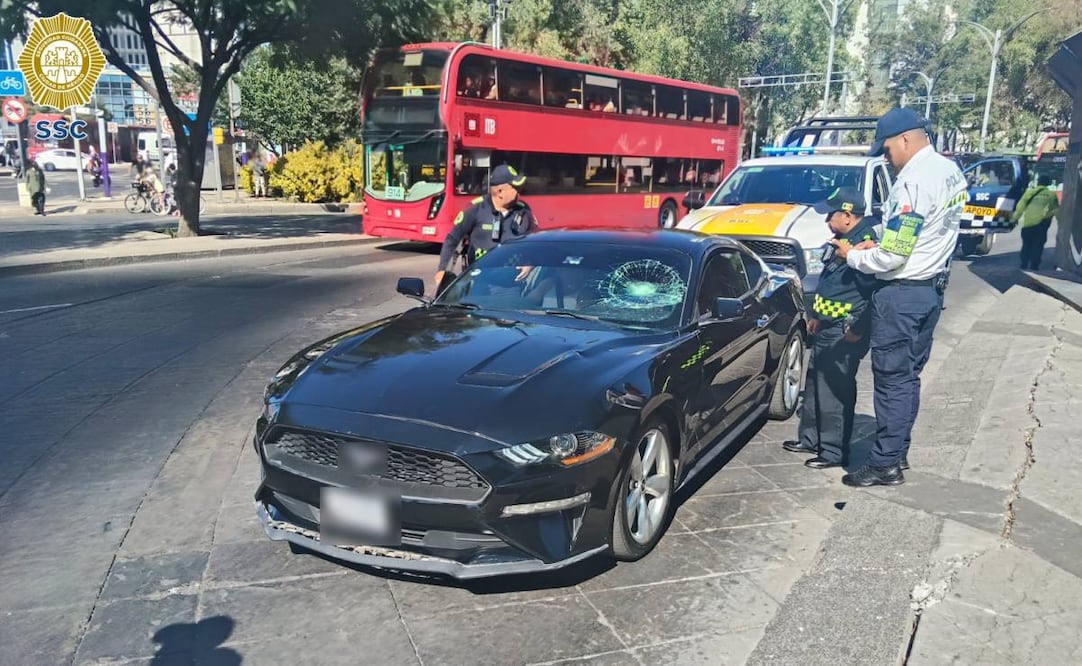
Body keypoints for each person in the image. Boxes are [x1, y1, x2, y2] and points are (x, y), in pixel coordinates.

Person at [831, 107, 966, 487]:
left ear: (906, 139)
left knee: (891, 379)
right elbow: (917, 238)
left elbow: (893, 255)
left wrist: (854, 255)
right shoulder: (948, 171)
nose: (887, 159)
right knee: (908, 377)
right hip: (930, 290)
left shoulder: (914, 181)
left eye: (887, 150)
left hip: (902, 294)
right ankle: (897, 449)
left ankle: (885, 464)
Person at [782, 187, 878, 469]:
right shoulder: (844, 240)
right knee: (813, 384)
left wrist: (857, 329)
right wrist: (817, 317)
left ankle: (833, 451)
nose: (827, 221)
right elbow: (832, 284)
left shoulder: (865, 246)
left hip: (845, 330)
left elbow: (870, 295)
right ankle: (810, 438)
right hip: (827, 325)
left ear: (848, 216)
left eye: (831, 215)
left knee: (834, 391)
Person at [433, 164, 538, 294]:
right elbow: (452, 239)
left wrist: (530, 262)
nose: (519, 191)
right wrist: (442, 270)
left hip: (511, 286)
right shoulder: (475, 209)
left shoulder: (523, 211)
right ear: (500, 192)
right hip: (478, 285)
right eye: (515, 187)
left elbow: (535, 241)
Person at [1013, 173, 1060, 270]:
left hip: (1028, 224)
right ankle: (1034, 265)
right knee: (1038, 246)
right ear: (1048, 184)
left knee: (1026, 244)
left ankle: (1024, 263)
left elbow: (1020, 207)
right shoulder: (1051, 195)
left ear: (1038, 182)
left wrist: (1015, 219)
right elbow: (1056, 210)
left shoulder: (1029, 192)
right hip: (1042, 225)